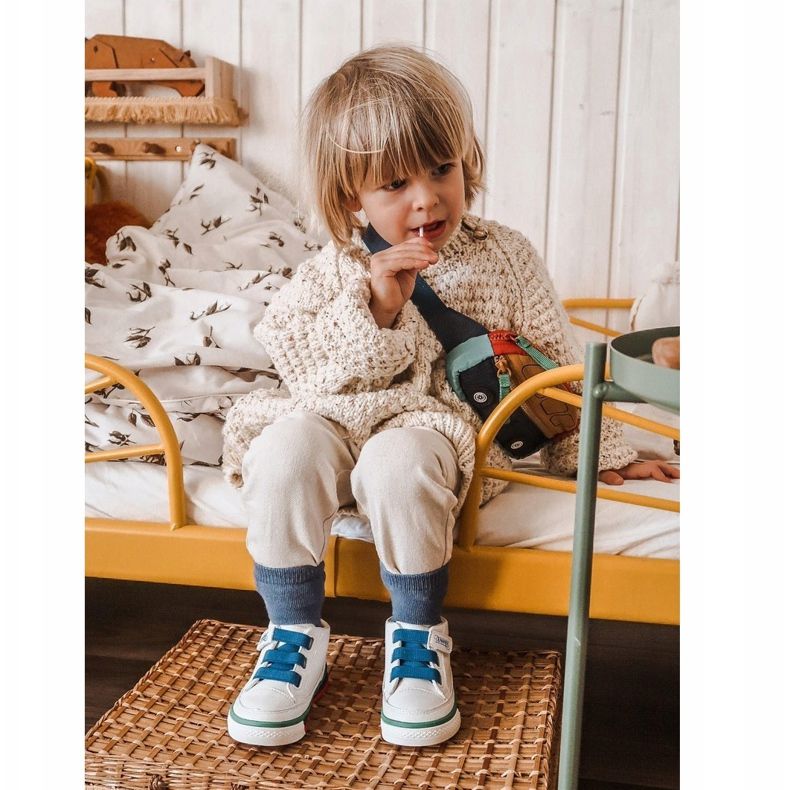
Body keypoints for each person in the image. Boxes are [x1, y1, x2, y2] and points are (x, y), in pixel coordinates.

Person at [222, 44, 679, 748]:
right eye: (395, 183)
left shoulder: (505, 256)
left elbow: (554, 367)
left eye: (443, 169)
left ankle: (417, 633)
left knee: (396, 465)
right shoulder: (331, 270)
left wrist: (603, 450)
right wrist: (376, 304)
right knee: (281, 450)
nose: (427, 197)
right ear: (352, 196)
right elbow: (304, 371)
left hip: (437, 427)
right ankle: (291, 634)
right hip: (334, 415)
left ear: (467, 161)